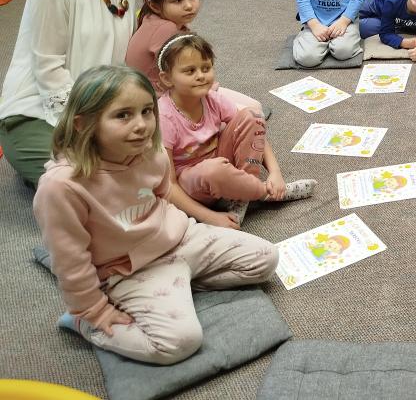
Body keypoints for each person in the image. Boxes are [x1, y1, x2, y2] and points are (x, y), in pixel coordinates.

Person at [32, 65, 279, 365]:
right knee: (179, 343)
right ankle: (84, 325)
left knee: (267, 259)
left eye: (147, 111)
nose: (141, 125)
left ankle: (180, 285)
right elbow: (70, 261)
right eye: (123, 115)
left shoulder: (153, 153)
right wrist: (93, 311)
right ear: (83, 124)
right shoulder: (61, 187)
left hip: (181, 239)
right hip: (128, 270)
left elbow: (163, 196)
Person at [0, 0, 146, 186]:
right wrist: (86, 128)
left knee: (155, 163)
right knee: (89, 185)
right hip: (37, 112)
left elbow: (120, 62)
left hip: (100, 109)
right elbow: (47, 67)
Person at [157, 34, 315, 227]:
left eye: (206, 68)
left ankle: (243, 194)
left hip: (221, 166)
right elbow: (169, 185)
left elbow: (254, 128)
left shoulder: (211, 98)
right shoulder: (164, 117)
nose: (201, 75)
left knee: (252, 115)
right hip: (194, 184)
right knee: (213, 169)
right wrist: (209, 217)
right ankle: (260, 193)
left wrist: (275, 172)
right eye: (190, 71)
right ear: (167, 79)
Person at [125, 0, 263, 113]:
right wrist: (211, 94)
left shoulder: (160, 20)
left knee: (254, 108)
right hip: (162, 101)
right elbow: (186, 75)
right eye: (178, 0)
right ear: (154, 6)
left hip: (181, 89)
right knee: (252, 113)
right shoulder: (165, 28)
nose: (189, 6)